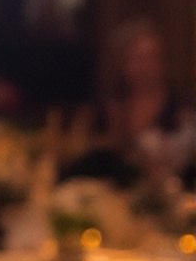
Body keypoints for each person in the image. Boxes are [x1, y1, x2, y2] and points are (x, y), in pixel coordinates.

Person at [64, 16, 196, 185]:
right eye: (137, 59)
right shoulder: (110, 102)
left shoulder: (181, 107)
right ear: (123, 63)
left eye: (151, 58)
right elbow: (79, 144)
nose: (144, 68)